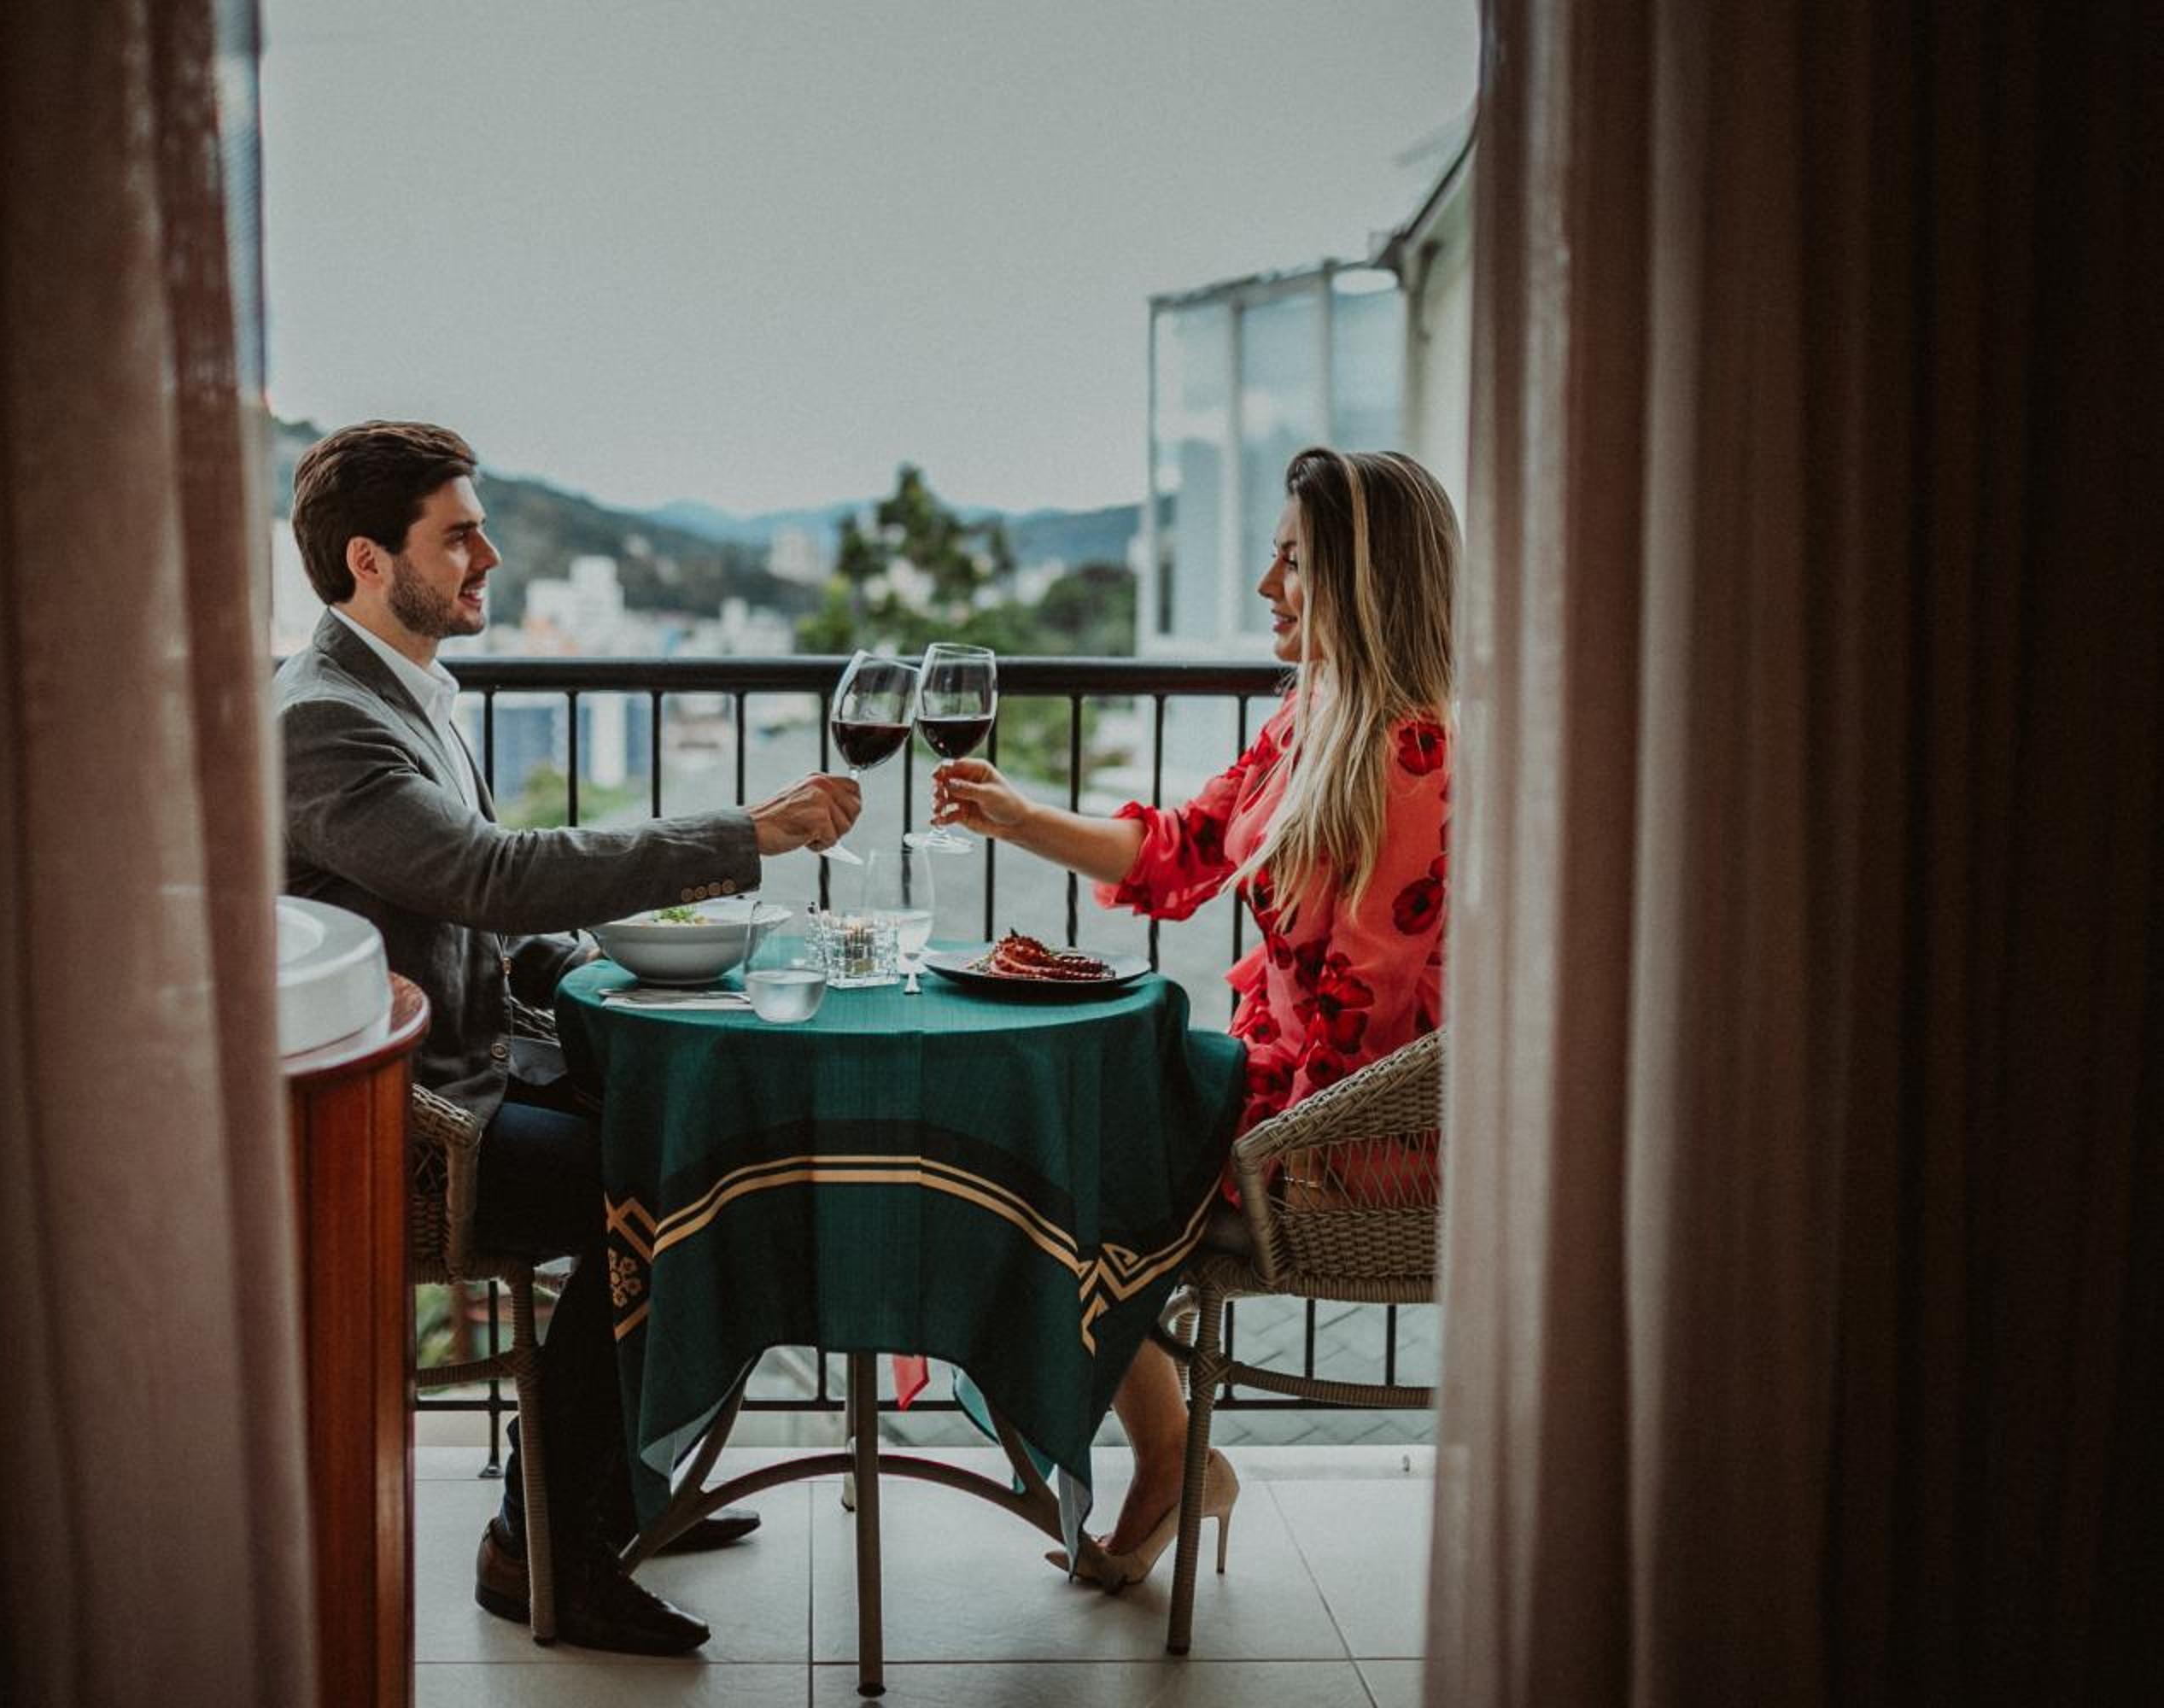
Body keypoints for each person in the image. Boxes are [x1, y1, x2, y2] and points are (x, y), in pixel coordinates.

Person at [277, 420, 860, 1653]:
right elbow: (492, 878)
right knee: (682, 1188)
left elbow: (479, 934)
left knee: (715, 1135)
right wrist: (744, 834)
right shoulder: (323, 722)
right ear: (370, 561)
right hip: (405, 1133)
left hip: (472, 1076)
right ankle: (542, 1543)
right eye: (460, 536)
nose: (490, 557)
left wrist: (634, 972)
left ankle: (613, 1487)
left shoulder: (403, 691)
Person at [930, 446, 1454, 1581]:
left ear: (1366, 581)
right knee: (1052, 1143)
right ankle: (1166, 1452)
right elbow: (1179, 850)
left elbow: (1368, 1014)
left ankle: (1166, 1454)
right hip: (1288, 1094)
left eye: (1294, 562)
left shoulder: (1416, 755)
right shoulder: (1310, 722)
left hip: (1358, 1130)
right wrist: (1016, 817)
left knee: (1060, 1161)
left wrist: (1255, 1131)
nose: (1269, 587)